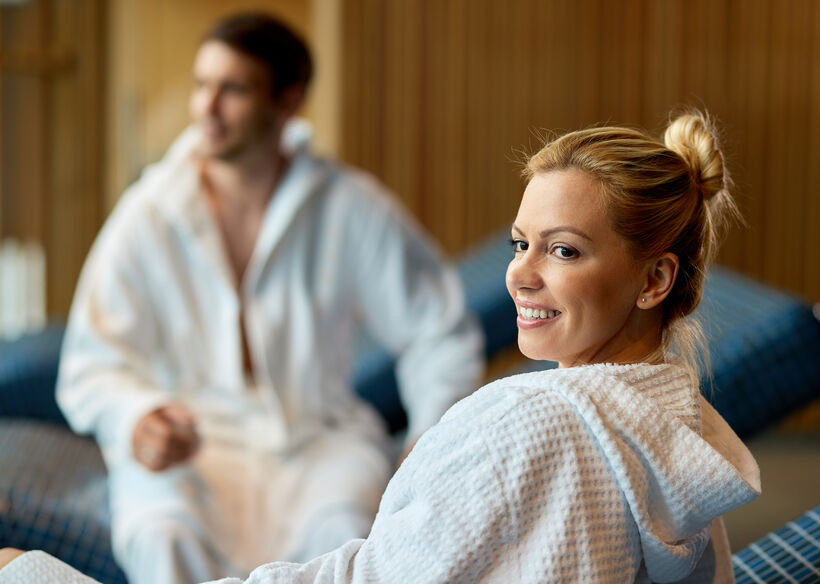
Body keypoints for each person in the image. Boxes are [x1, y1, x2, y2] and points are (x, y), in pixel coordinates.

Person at [0, 108, 760, 583]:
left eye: (563, 251)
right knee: (159, 527)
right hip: (206, 451)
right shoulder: (675, 436)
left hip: (317, 453)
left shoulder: (531, 428)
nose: (518, 276)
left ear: (654, 280)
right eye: (519, 242)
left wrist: (427, 434)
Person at [27, 12, 484, 584]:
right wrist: (136, 418)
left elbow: (437, 329)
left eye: (233, 90)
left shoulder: (348, 206)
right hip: (193, 448)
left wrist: (428, 435)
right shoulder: (151, 212)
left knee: (347, 530)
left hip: (318, 437)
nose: (206, 108)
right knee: (161, 534)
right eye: (201, 85)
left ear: (288, 101)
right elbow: (93, 361)